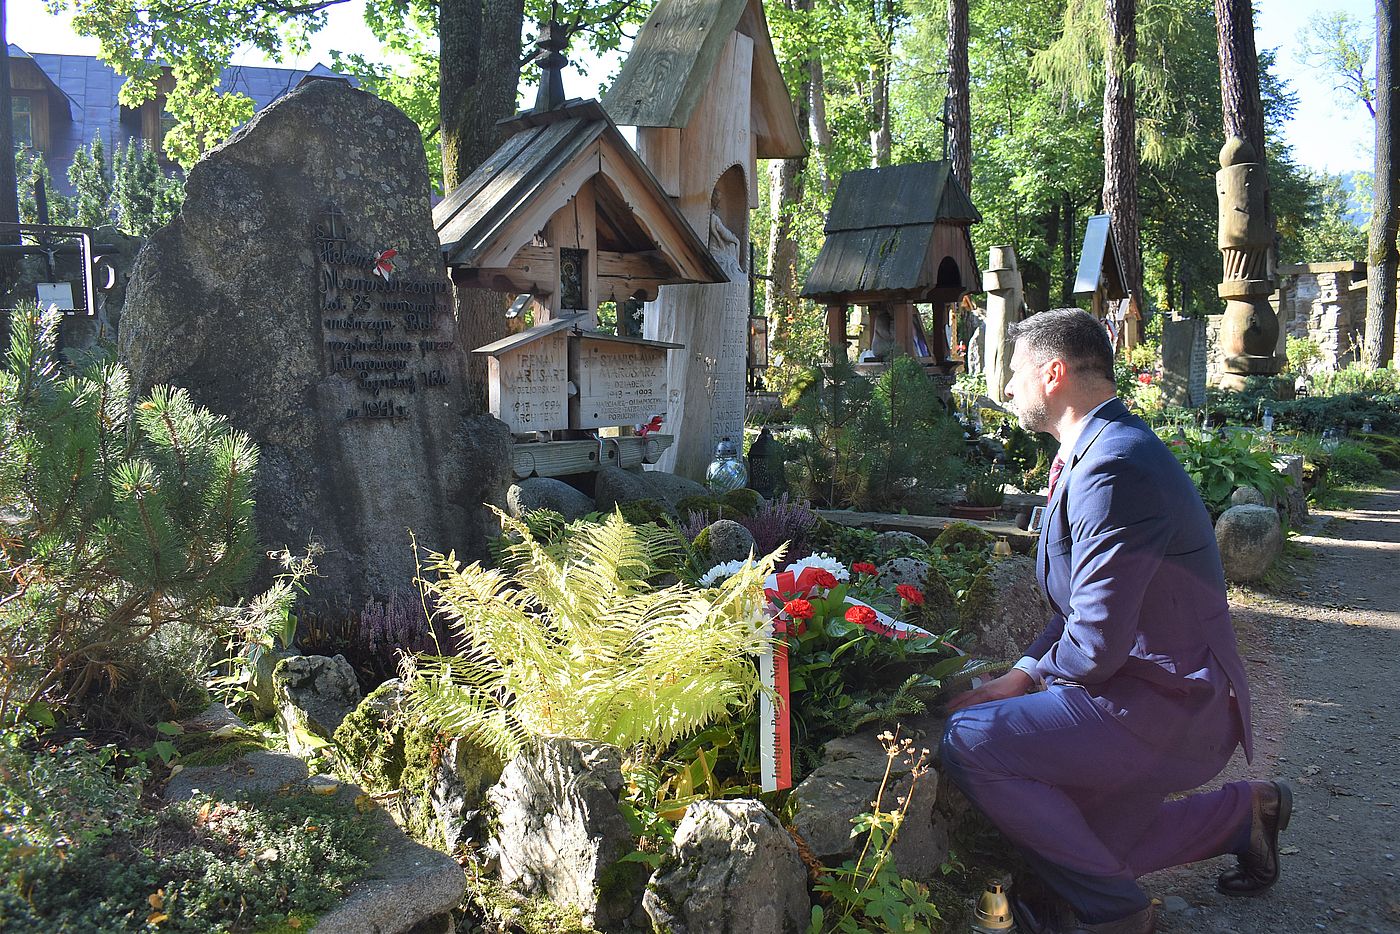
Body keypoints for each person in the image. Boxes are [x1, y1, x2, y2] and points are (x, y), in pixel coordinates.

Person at [940, 309, 1290, 934]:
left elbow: (1096, 646)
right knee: (1090, 851)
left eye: (1014, 374)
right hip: (1149, 693)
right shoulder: (1102, 450)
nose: (1007, 389)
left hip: (1164, 706)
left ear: (1054, 373)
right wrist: (1022, 674)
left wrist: (1026, 689)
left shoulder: (1113, 465)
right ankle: (1247, 814)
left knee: (971, 740)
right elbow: (1084, 608)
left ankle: (1117, 914)